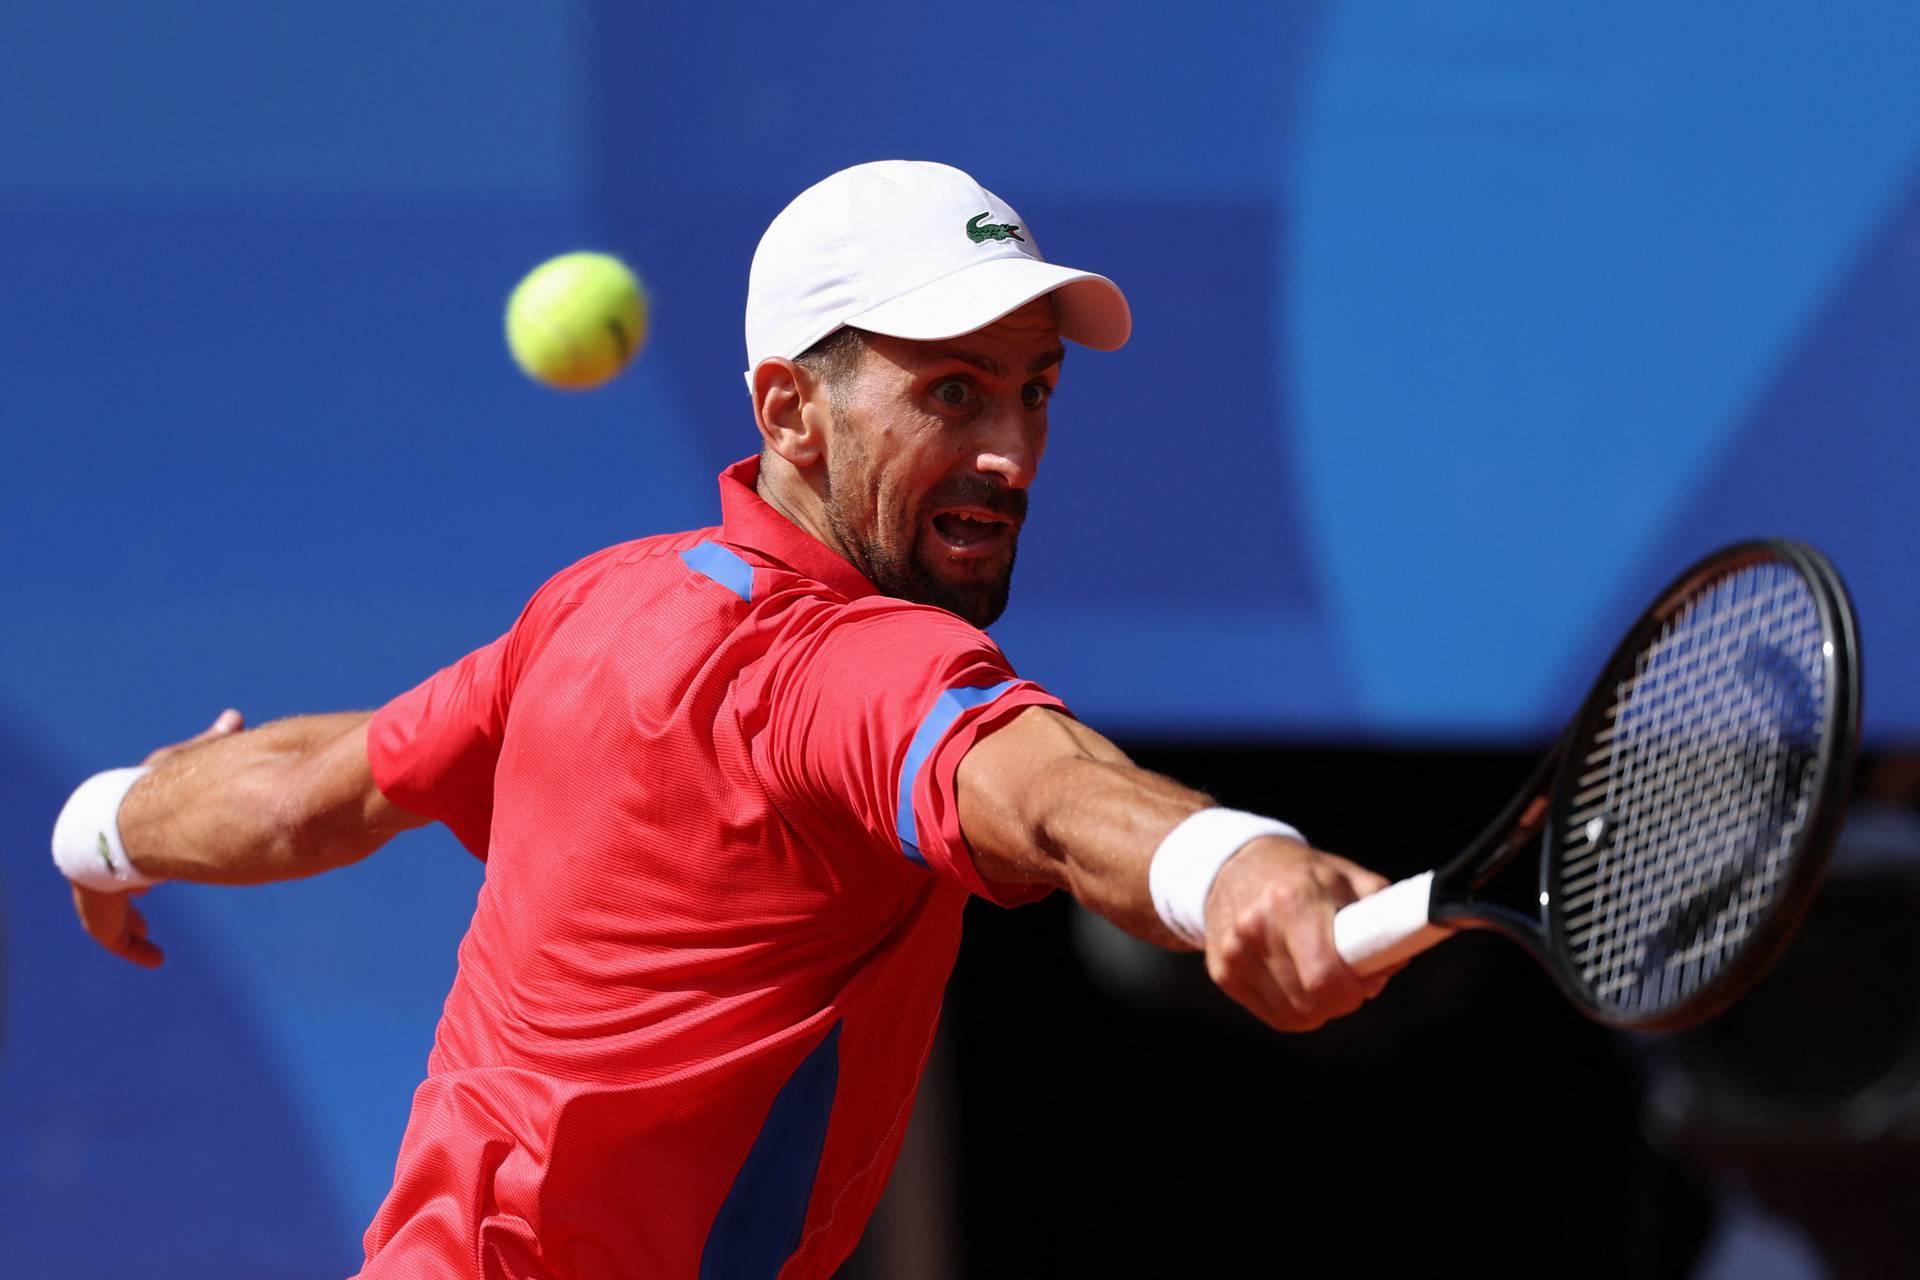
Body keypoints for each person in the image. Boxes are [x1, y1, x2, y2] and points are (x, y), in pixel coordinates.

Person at [51, 160, 1395, 1280]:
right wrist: (1230, 861)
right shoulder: (858, 671)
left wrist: (102, 827)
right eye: (949, 392)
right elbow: (1043, 789)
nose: (1009, 450)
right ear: (790, 412)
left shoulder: (596, 606)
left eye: (1031, 389)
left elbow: (303, 794)